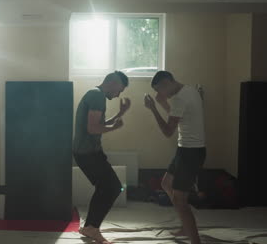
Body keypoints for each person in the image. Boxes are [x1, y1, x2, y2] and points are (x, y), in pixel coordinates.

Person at [144, 71, 205, 244]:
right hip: (184, 149)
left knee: (180, 200)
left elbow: (168, 131)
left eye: (160, 90)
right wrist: (162, 102)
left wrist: (154, 108)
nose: (160, 94)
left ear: (167, 83)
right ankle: (186, 225)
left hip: (191, 153)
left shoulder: (180, 98)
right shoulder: (189, 90)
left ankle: (195, 240)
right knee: (166, 184)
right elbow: (177, 116)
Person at [73, 71, 131, 244]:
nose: (118, 94)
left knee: (105, 187)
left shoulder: (95, 95)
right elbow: (92, 129)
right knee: (113, 187)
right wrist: (115, 128)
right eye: (119, 90)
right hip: (87, 153)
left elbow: (98, 124)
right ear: (112, 83)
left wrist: (120, 113)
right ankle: (92, 227)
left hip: (89, 152)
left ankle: (90, 227)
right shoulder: (97, 96)